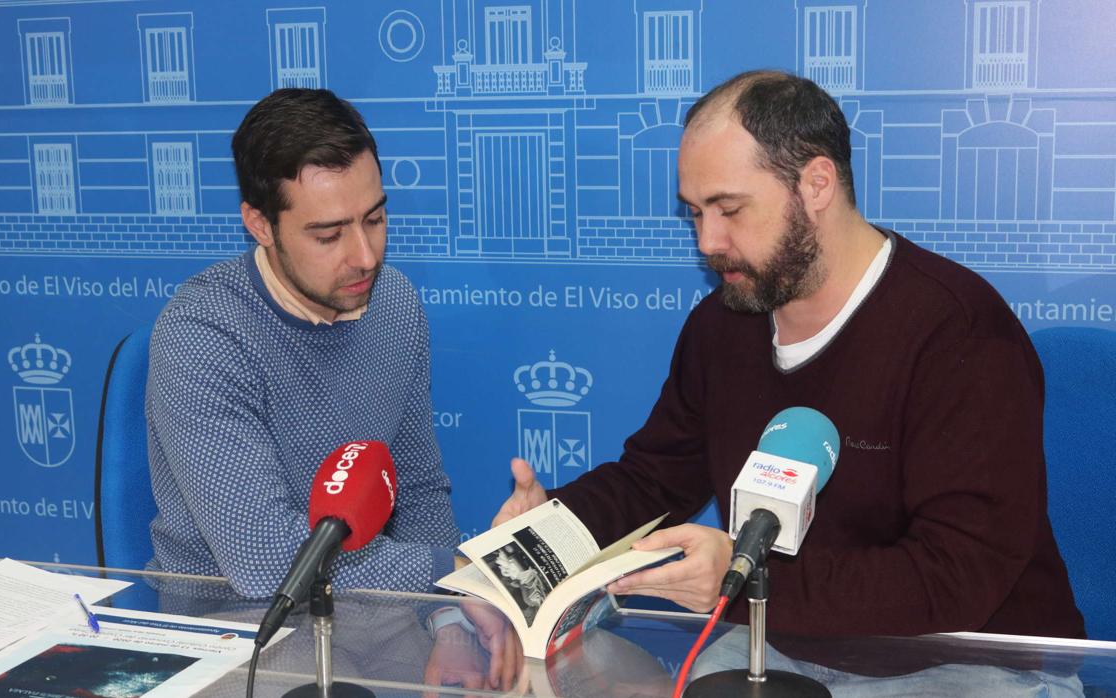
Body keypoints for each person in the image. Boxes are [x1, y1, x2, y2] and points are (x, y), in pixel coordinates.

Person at [493, 70, 1084, 683]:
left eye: (729, 209)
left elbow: (957, 574)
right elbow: (653, 481)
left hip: (972, 659)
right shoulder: (723, 323)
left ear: (817, 183)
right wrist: (548, 529)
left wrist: (744, 581)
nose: (708, 242)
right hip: (778, 641)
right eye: (695, 213)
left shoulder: (959, 333)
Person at [144, 88, 458, 600]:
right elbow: (267, 559)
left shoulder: (395, 302)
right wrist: (454, 571)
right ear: (260, 225)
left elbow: (418, 488)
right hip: (233, 625)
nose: (365, 256)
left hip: (372, 608)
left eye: (375, 219)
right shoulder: (202, 333)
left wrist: (446, 618)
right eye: (329, 235)